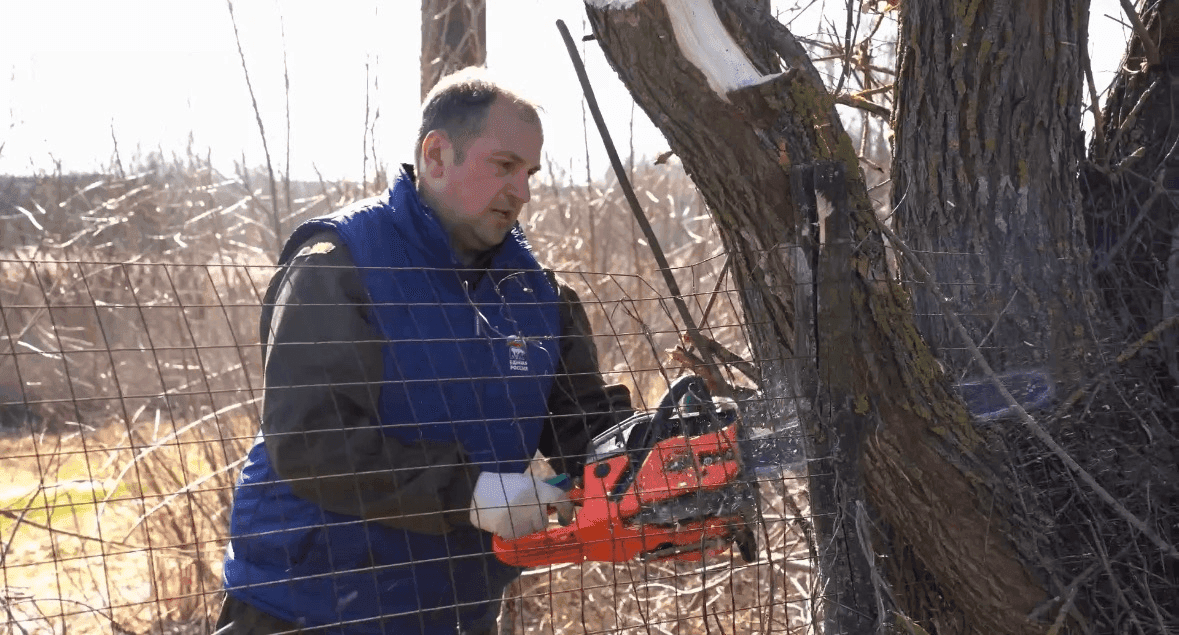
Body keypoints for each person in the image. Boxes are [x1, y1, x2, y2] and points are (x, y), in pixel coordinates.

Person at [217, 67, 633, 635]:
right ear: (436, 155)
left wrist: (652, 457)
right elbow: (312, 442)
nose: (523, 192)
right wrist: (477, 495)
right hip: (306, 610)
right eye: (505, 166)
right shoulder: (339, 263)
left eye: (530, 173)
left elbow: (582, 429)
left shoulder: (538, 295)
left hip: (454, 613)